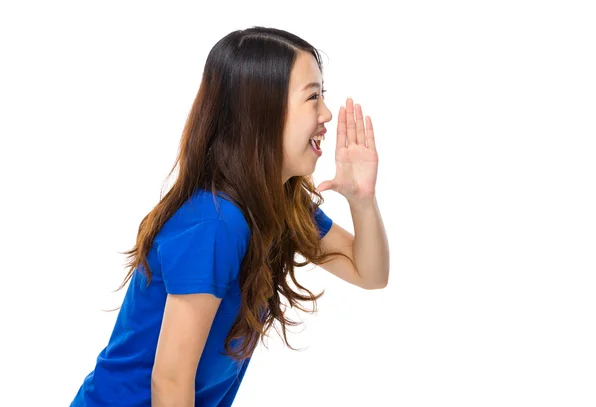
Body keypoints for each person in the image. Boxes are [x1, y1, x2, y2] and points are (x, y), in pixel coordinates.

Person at [70, 26, 390, 407]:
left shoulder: (278, 205)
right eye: (312, 97)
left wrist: (362, 201)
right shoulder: (215, 224)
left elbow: (369, 273)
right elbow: (170, 379)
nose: (326, 113)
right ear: (263, 113)